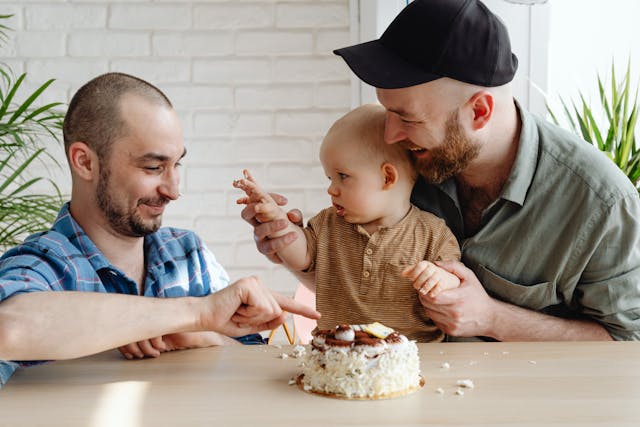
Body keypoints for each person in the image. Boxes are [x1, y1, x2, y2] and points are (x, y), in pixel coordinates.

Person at [242, 0, 640, 341]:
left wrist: (492, 317)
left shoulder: (600, 202)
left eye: (407, 118)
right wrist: (292, 249)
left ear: (479, 111)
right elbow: (355, 287)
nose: (391, 135)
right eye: (387, 111)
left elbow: (627, 342)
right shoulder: (406, 162)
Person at [0, 72, 320, 387]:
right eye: (153, 167)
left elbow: (250, 373)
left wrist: (204, 338)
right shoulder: (44, 264)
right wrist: (197, 312)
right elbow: (8, 328)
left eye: (175, 165)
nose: (173, 190)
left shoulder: (187, 254)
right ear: (85, 162)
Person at [234, 104, 461, 342]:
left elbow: (456, 287)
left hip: (410, 361)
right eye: (330, 178)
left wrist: (441, 279)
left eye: (343, 176)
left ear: (387, 177)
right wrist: (277, 220)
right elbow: (300, 255)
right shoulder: (328, 224)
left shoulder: (433, 234)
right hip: (339, 355)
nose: (331, 189)